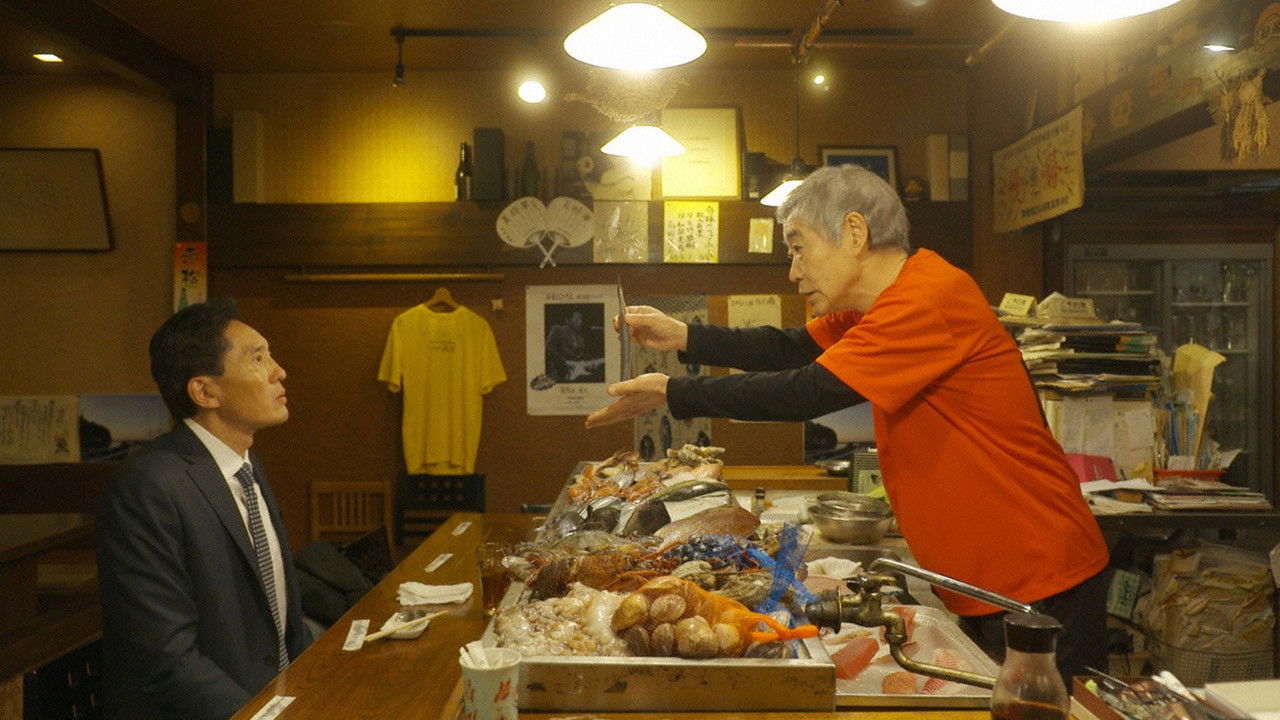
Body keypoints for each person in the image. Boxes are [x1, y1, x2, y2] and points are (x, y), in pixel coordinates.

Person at [584, 164, 1110, 684]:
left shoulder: (929, 297)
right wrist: (683, 335)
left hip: (1037, 573)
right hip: (988, 577)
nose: (792, 272)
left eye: (798, 247)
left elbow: (807, 390)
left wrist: (673, 391)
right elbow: (786, 348)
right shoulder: (875, 307)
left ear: (854, 232)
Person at [97, 297, 311, 720]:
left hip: (276, 700)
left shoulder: (247, 467)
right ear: (205, 391)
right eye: (258, 358)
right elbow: (165, 657)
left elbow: (280, 621)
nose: (278, 371)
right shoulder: (148, 485)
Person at [545, 309, 587, 382]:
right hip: (557, 375)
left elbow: (580, 357)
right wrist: (565, 362)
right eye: (577, 319)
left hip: (574, 376)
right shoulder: (558, 330)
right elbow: (549, 349)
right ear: (567, 320)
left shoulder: (580, 338)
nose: (580, 322)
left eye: (581, 319)